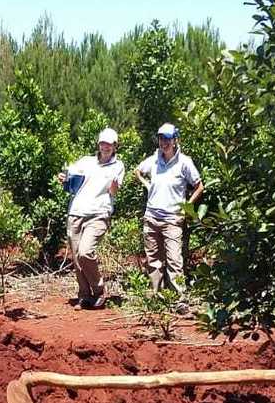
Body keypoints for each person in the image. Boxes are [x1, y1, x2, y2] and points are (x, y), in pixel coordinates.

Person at [133, 123, 204, 308]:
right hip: (151, 217)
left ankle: (179, 300)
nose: (164, 142)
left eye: (167, 139)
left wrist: (187, 207)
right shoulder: (153, 160)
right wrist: (148, 185)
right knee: (153, 260)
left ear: (175, 140)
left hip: (172, 218)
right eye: (161, 138)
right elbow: (138, 172)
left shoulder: (184, 162)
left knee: (174, 259)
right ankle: (158, 297)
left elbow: (199, 186)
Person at [58, 128, 125, 310]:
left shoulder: (118, 166)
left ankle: (99, 289)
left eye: (109, 144)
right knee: (77, 258)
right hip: (76, 212)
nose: (106, 147)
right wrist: (63, 177)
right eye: (103, 143)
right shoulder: (85, 162)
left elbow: (114, 191)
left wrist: (114, 187)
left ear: (115, 146)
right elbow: (68, 176)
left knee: (85, 252)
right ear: (98, 144)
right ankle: (85, 296)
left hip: (99, 214)